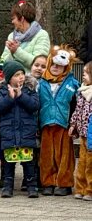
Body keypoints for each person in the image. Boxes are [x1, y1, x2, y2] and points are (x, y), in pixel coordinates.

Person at [0, 61, 40, 198]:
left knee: (28, 162)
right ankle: (7, 186)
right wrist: (10, 98)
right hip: (9, 133)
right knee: (9, 162)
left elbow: (34, 105)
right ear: (9, 78)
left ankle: (31, 186)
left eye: (22, 74)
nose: (21, 77)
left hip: (26, 131)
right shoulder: (2, 91)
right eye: (16, 75)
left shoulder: (29, 90)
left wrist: (21, 96)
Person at [38, 46, 80, 196]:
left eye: (60, 66)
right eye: (54, 65)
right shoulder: (41, 83)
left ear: (66, 67)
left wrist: (74, 124)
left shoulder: (73, 84)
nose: (56, 68)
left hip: (64, 125)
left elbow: (76, 105)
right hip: (46, 123)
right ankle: (48, 182)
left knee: (64, 156)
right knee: (46, 156)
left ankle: (64, 183)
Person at [0, 1, 51, 73]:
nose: (12, 22)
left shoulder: (42, 35)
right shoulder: (11, 36)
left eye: (14, 18)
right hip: (12, 81)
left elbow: (39, 64)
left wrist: (16, 51)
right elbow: (3, 62)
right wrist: (11, 53)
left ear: (22, 19)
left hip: (33, 81)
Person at [69, 61, 92, 200]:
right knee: (82, 162)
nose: (83, 75)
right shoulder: (82, 91)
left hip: (91, 135)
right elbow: (78, 111)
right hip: (83, 135)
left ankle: (90, 190)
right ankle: (80, 188)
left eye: (87, 73)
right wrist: (73, 124)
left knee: (90, 164)